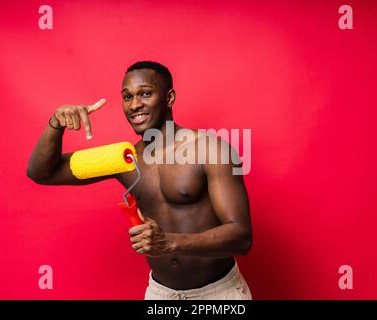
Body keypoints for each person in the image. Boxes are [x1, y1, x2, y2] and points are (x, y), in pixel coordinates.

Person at [27, 61, 253, 300]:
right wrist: (55, 124)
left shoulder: (211, 149)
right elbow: (42, 172)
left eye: (145, 93)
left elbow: (242, 237)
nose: (134, 105)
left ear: (169, 97)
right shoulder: (124, 159)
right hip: (161, 295)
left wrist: (170, 242)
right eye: (127, 97)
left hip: (217, 294)